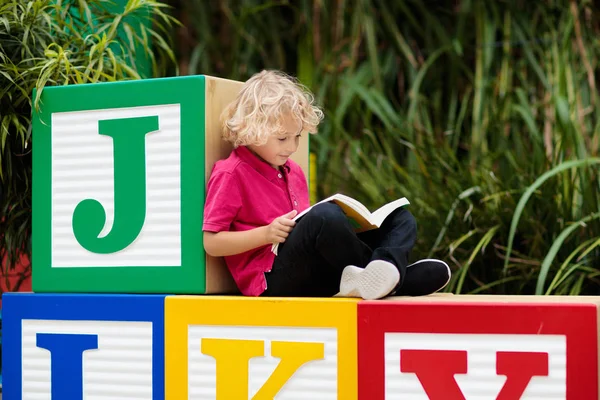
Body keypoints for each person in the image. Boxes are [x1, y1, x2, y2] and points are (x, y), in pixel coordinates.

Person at [203, 70, 451, 299]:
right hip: (270, 277)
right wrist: (266, 234)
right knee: (325, 218)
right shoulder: (231, 173)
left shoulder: (294, 171)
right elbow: (211, 243)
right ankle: (396, 280)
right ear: (251, 130)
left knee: (400, 218)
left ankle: (381, 272)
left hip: (316, 268)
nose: (292, 147)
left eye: (297, 136)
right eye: (282, 138)